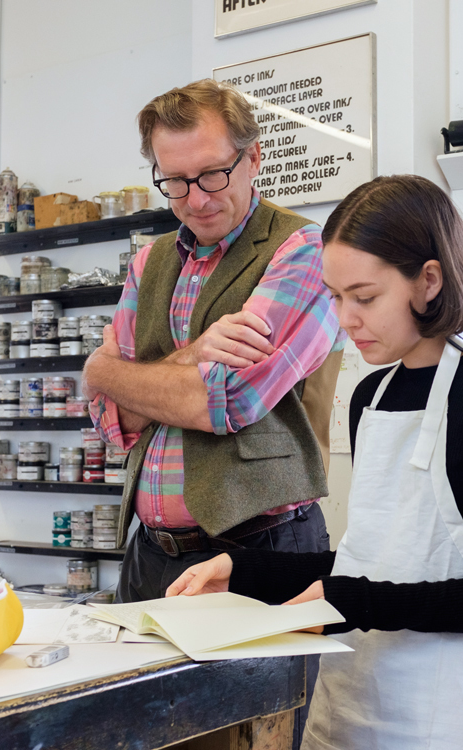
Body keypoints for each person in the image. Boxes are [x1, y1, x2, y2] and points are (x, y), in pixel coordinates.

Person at [166, 174, 463, 750]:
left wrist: (352, 603)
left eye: (365, 297)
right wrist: (242, 572)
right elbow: (370, 561)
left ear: (428, 280)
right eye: (336, 296)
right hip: (352, 698)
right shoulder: (369, 397)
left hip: (447, 711)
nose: (346, 319)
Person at [80, 78, 343, 605]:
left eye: (212, 174)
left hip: (260, 552)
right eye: (174, 181)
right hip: (148, 555)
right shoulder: (148, 263)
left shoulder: (303, 251)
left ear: (253, 159)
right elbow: (109, 420)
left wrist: (107, 371)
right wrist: (193, 354)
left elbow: (225, 402)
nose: (195, 199)